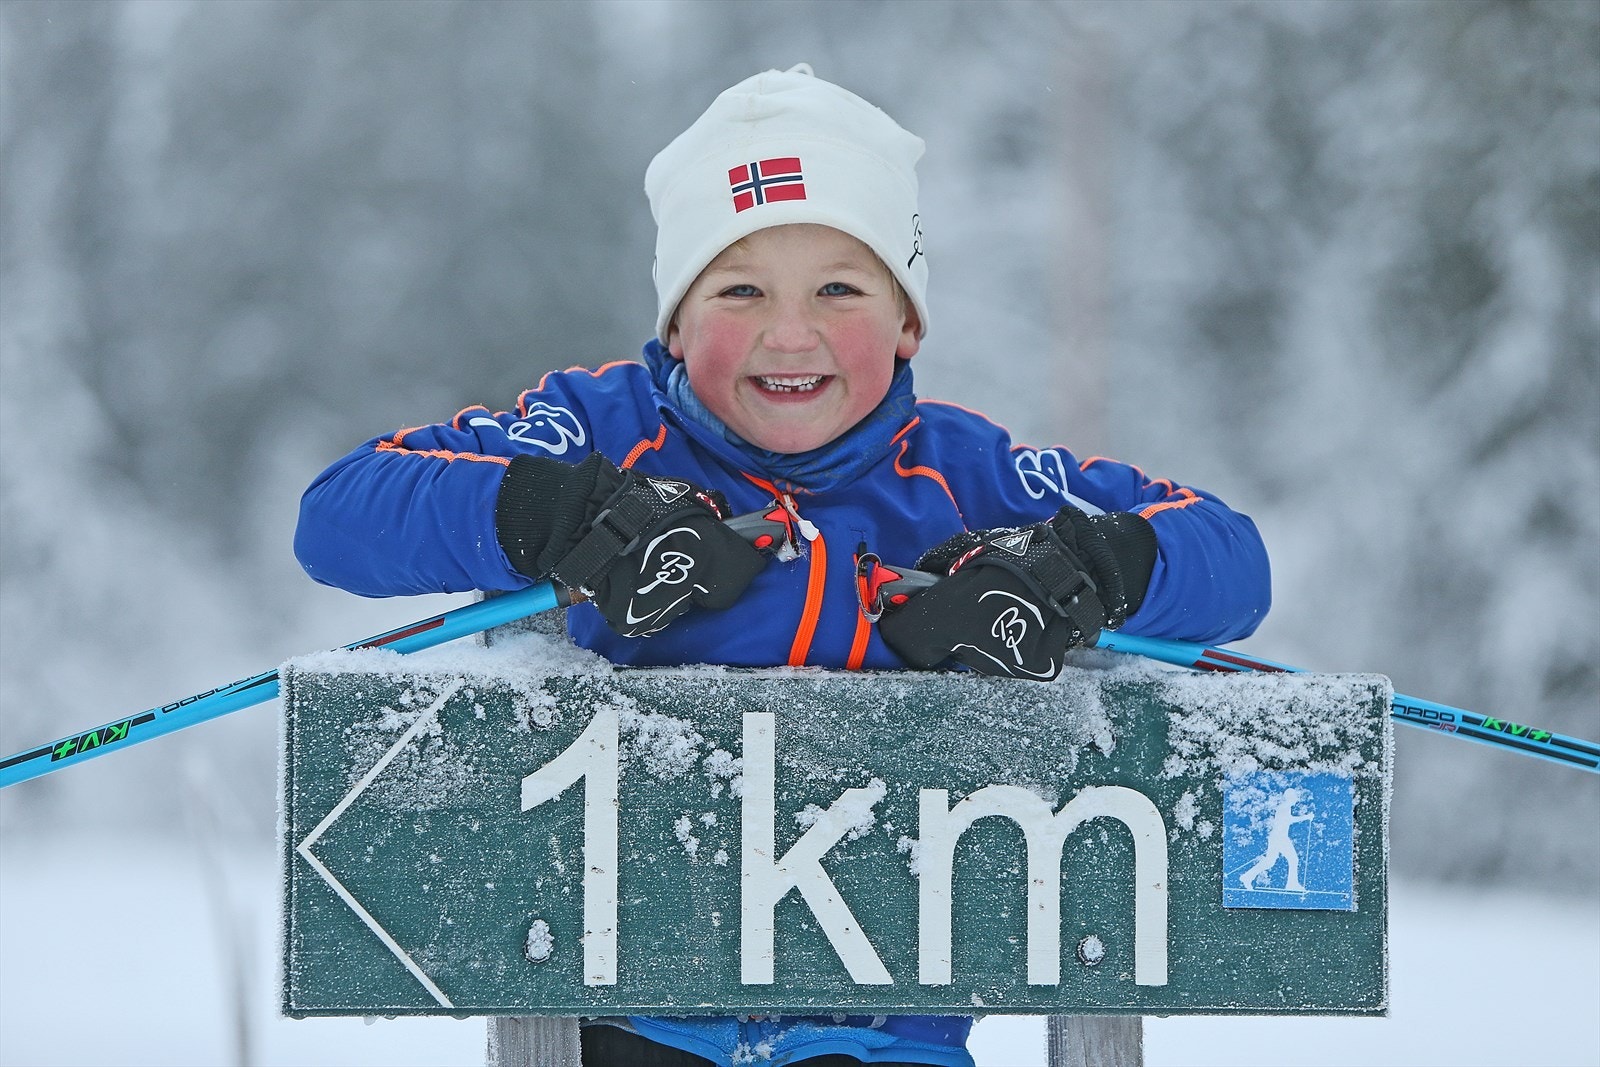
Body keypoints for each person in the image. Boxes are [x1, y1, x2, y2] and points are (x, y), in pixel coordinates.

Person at [296, 64, 1270, 1067]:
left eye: (839, 288)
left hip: (890, 1025)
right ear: (676, 320)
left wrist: (1078, 567)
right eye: (740, 288)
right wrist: (559, 512)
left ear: (906, 323)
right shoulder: (600, 427)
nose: (789, 332)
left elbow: (1231, 559)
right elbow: (339, 514)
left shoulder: (967, 474)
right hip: (634, 1013)